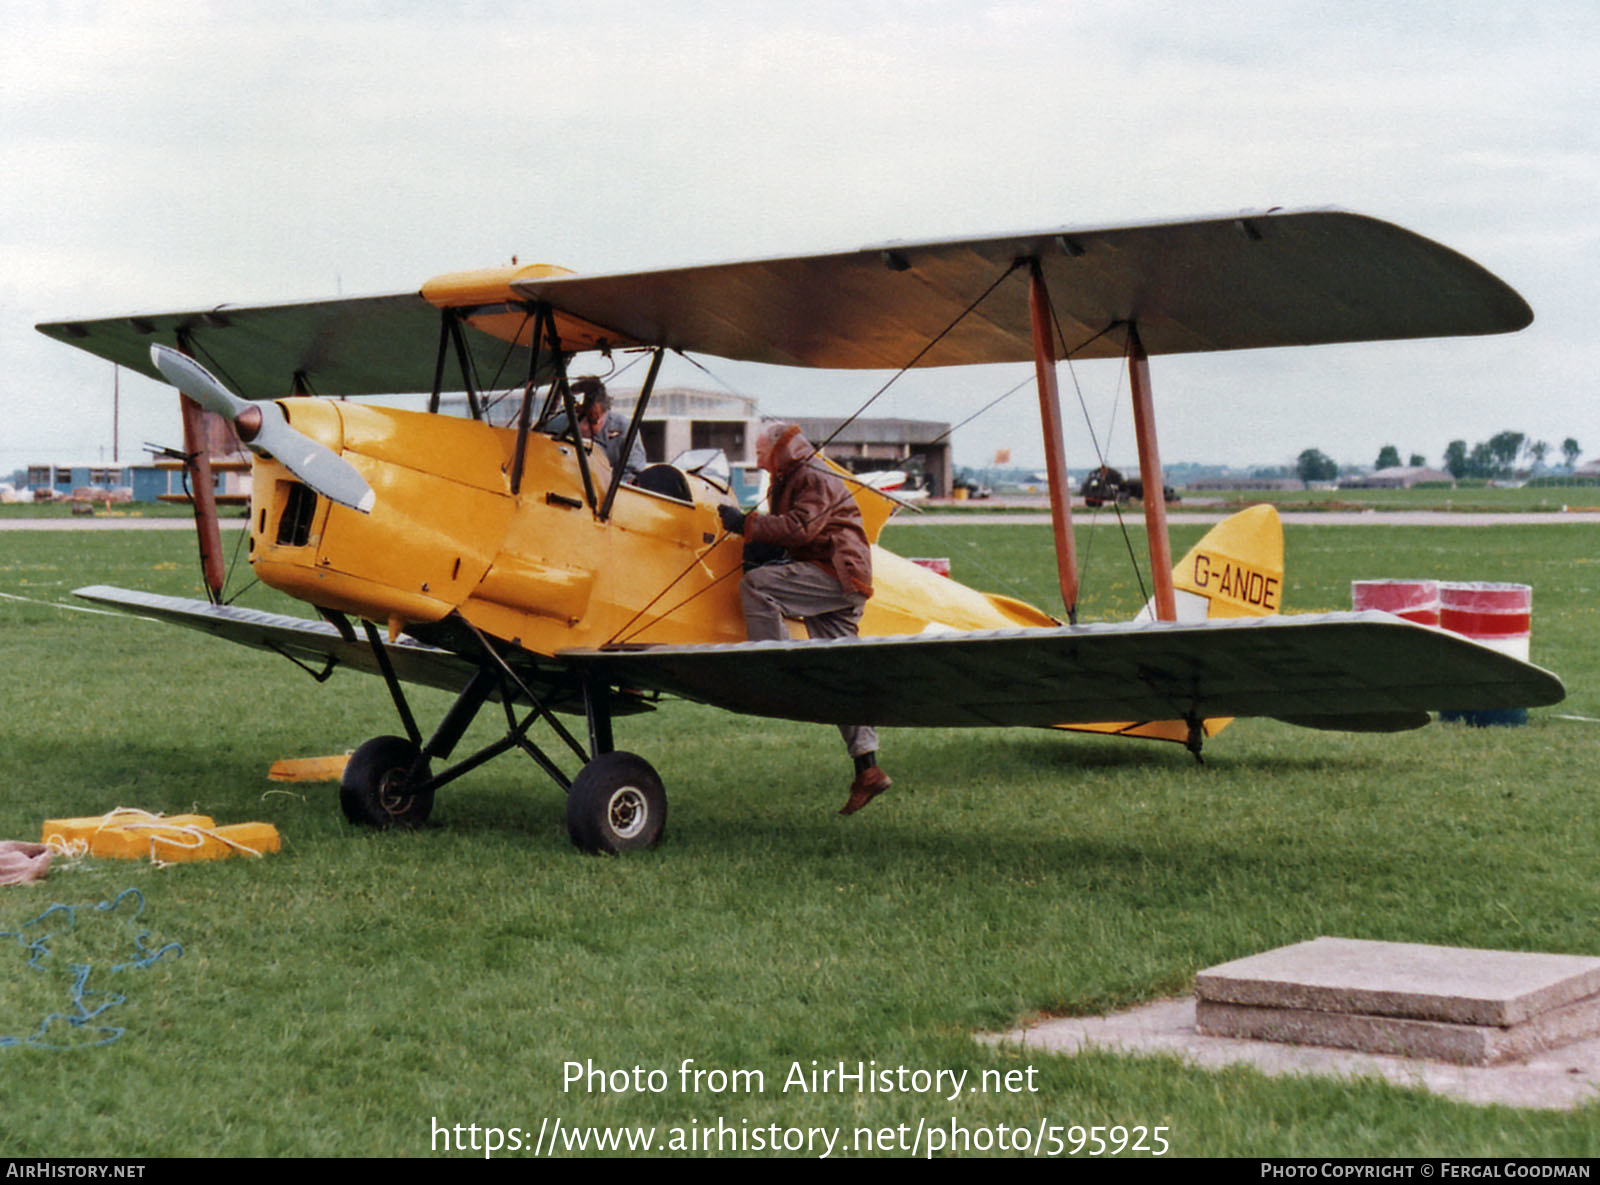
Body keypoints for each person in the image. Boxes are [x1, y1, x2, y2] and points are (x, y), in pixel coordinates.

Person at [717, 422, 891, 816]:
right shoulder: (795, 474)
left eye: (761, 453)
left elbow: (801, 527)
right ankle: (868, 769)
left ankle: (775, 668)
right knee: (838, 669)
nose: (758, 461)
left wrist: (744, 524)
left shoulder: (810, 475)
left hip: (836, 572)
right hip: (843, 575)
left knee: (757, 586)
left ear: (779, 449)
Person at [552, 377, 646, 480]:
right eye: (584, 420)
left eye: (595, 420)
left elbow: (634, 472)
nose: (587, 427)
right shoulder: (555, 425)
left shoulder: (624, 428)